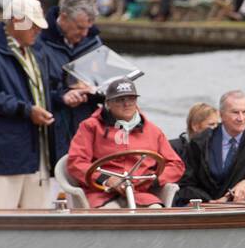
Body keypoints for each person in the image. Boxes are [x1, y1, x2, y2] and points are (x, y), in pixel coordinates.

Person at [0, 0, 56, 210]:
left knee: (39, 222)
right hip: (1, 157)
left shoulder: (37, 52)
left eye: (39, 26)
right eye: (33, 25)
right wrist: (27, 111)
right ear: (16, 20)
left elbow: (50, 88)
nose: (38, 31)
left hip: (38, 153)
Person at [65, 78, 184, 209]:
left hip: (141, 193)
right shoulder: (90, 127)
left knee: (155, 212)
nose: (126, 104)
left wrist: (150, 181)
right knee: (110, 214)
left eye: (131, 99)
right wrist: (106, 179)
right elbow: (76, 162)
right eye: (120, 100)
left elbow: (176, 164)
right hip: (100, 193)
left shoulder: (153, 131)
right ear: (108, 103)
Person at [36, 0, 103, 169]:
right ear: (63, 17)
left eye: (88, 27)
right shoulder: (38, 40)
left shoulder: (94, 42)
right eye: (80, 27)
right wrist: (62, 97)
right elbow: (32, 89)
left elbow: (103, 80)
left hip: (84, 121)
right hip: (51, 125)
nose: (84, 33)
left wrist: (99, 91)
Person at [176, 90, 245, 203]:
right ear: (221, 114)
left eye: (244, 112)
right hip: (206, 210)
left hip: (244, 209)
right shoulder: (200, 142)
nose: (241, 118)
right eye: (235, 112)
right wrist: (210, 202)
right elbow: (186, 184)